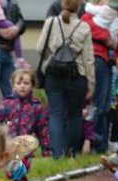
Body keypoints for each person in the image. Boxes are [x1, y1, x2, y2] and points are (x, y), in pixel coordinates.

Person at [35, 0, 95, 158]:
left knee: (56, 113)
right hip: (77, 76)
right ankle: (71, 152)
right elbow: (88, 59)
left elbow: (40, 48)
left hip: (53, 74)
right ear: (79, 7)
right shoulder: (84, 27)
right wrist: (91, 84)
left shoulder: (51, 22)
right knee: (75, 114)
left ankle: (56, 153)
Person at [82, 0, 118, 154]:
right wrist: (106, 37)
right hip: (97, 60)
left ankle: (101, 144)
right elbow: (86, 26)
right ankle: (95, 143)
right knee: (99, 105)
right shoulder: (95, 13)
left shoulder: (114, 19)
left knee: (105, 106)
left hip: (105, 62)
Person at [0, 68, 52, 158]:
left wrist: (46, 151)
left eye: (26, 83)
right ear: (13, 85)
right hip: (9, 146)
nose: (22, 86)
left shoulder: (36, 106)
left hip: (26, 149)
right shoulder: (7, 103)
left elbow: (42, 131)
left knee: (24, 168)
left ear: (32, 86)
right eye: (18, 83)